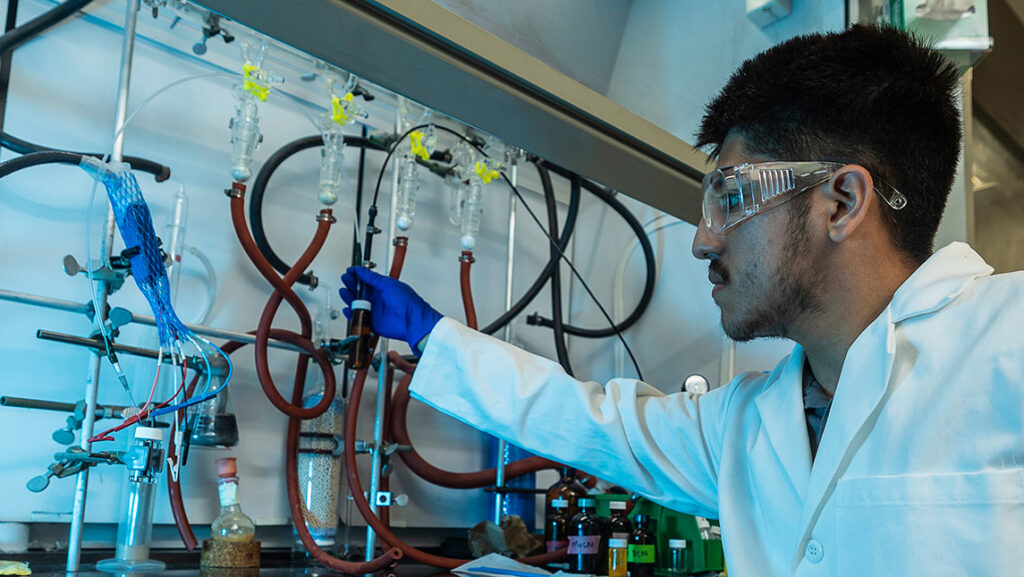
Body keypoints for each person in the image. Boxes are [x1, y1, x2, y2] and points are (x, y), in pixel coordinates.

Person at [340, 25, 1024, 576]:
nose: (702, 240)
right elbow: (591, 421)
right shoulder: (747, 424)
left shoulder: (1006, 336)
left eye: (730, 195)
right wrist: (435, 336)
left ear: (841, 201)